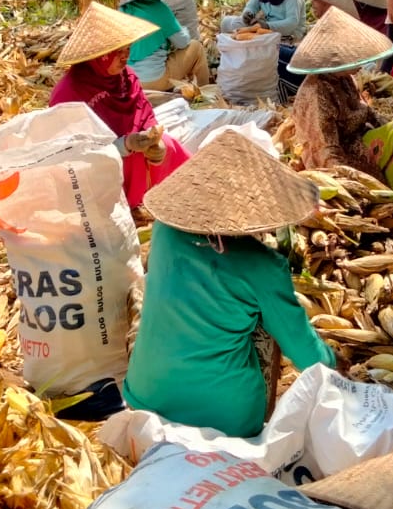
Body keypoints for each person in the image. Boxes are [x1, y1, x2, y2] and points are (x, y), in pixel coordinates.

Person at [123, 130, 337, 437]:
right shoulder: (263, 266)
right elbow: (305, 355)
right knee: (266, 322)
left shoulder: (166, 231)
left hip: (145, 393)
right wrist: (334, 361)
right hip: (225, 417)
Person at [50, 1, 191, 207]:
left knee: (168, 145)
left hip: (130, 153)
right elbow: (71, 154)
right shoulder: (69, 94)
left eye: (127, 48)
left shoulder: (126, 76)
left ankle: (176, 193)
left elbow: (143, 112)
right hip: (94, 170)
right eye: (117, 50)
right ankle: (133, 204)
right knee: (127, 161)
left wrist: (154, 140)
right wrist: (122, 146)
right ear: (97, 55)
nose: (125, 56)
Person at [287, 7, 393, 191]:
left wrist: (388, 126)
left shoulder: (342, 77)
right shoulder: (317, 92)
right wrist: (350, 184)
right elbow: (326, 150)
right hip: (347, 157)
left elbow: (366, 112)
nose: (360, 63)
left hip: (361, 139)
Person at [119, 0, 210, 91]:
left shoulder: (122, 10)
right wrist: (179, 28)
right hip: (154, 80)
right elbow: (182, 42)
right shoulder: (160, 9)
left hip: (128, 80)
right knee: (196, 47)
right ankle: (205, 96)